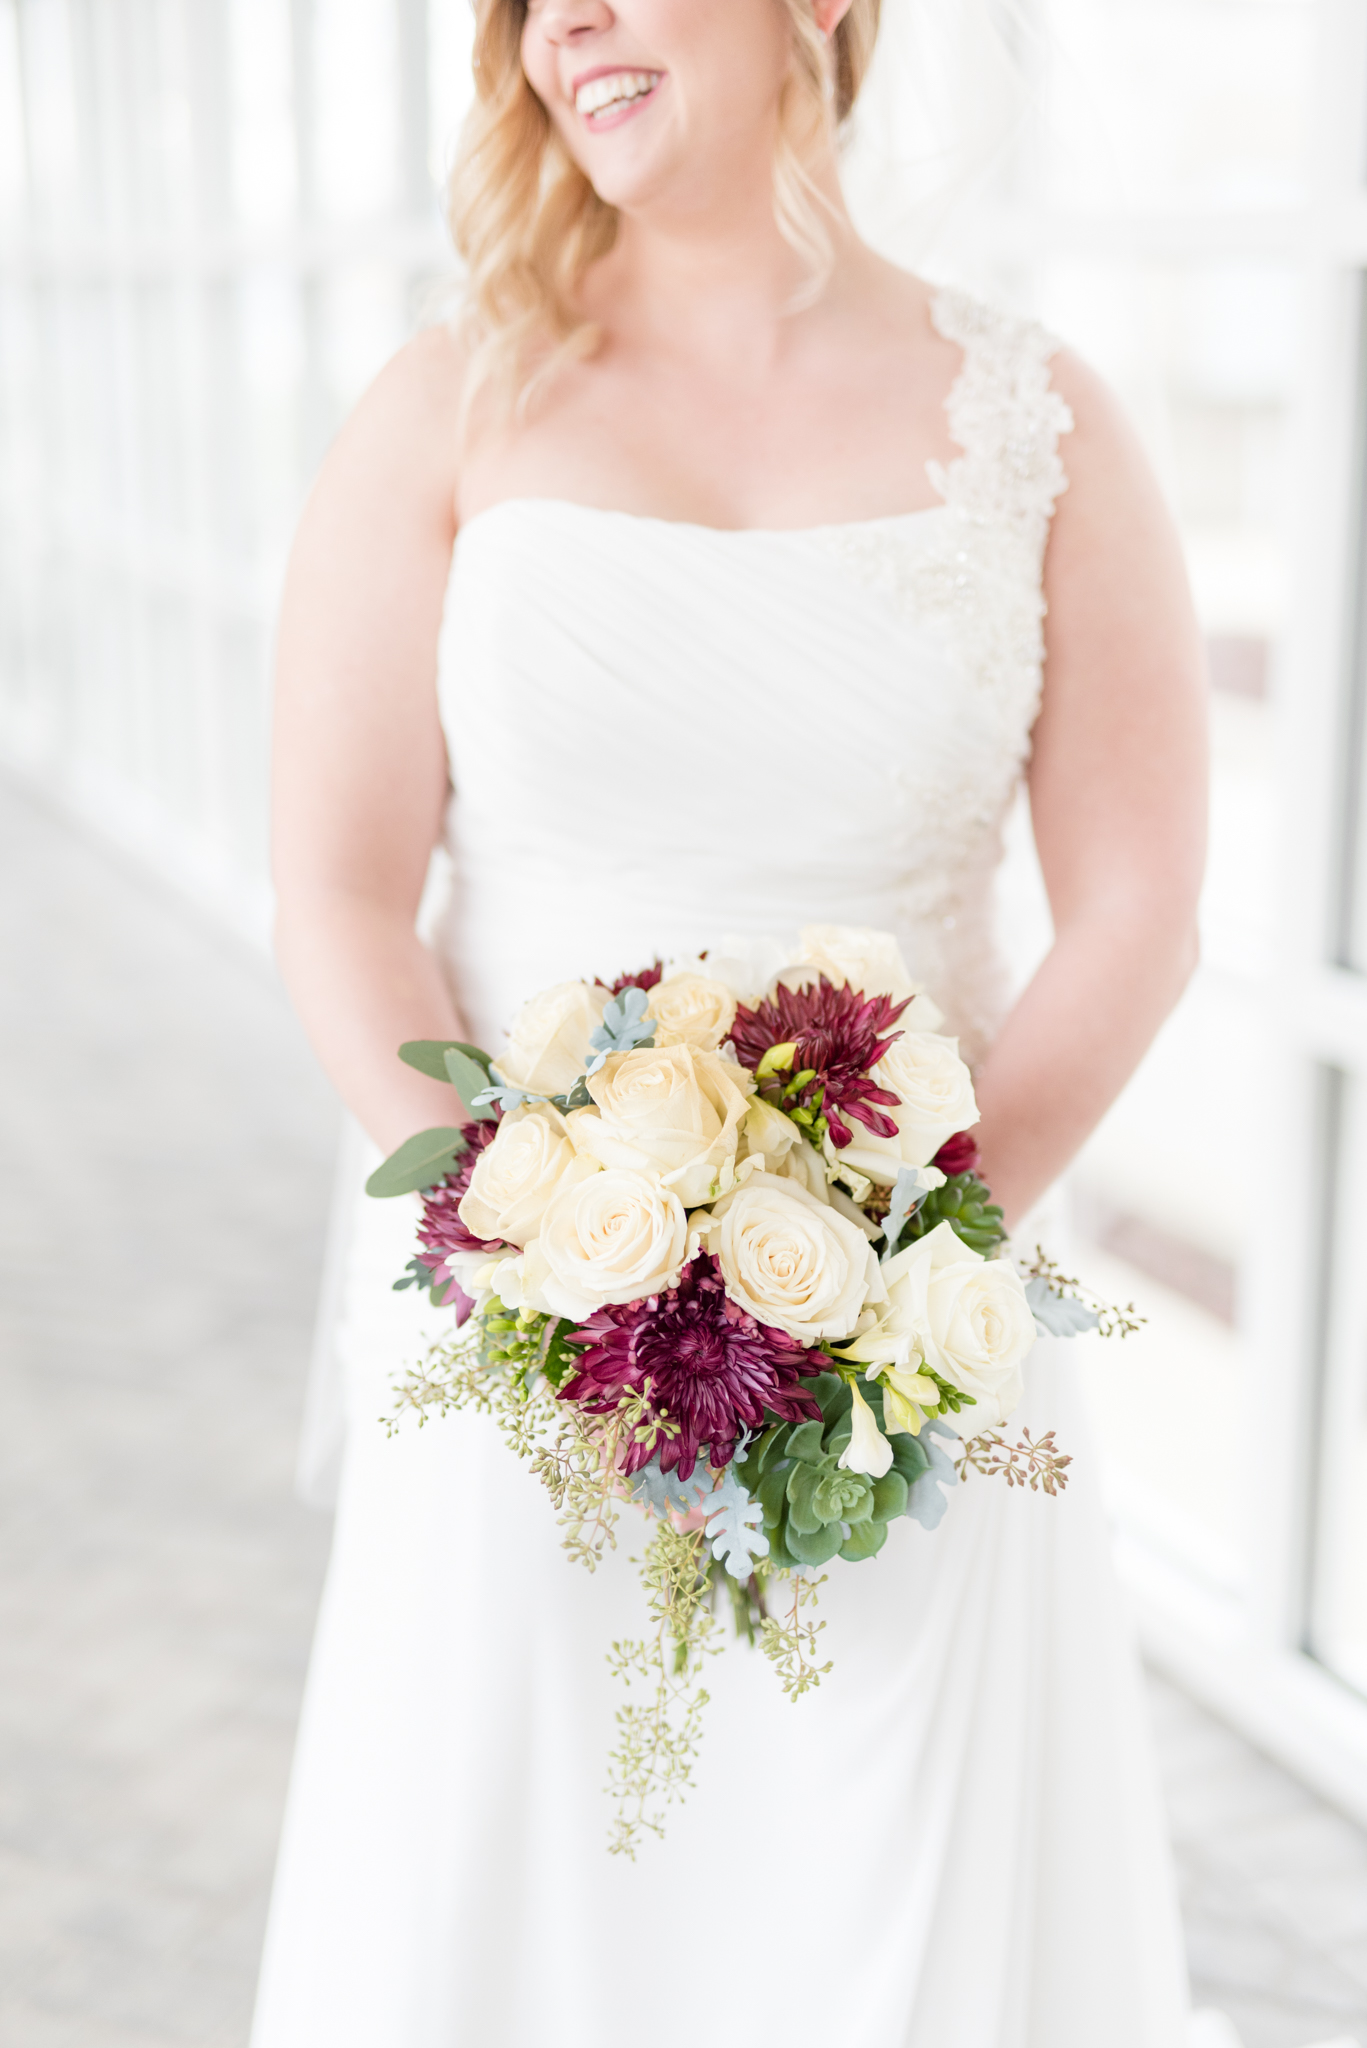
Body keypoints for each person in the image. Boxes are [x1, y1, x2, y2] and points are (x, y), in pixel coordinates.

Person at [254, 1, 1208, 2042]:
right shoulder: (442, 407)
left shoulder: (1041, 420)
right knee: (527, 1896)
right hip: (516, 1333)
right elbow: (342, 887)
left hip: (924, 1358)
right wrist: (518, 1240)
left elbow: (1137, 905)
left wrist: (897, 1262)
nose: (558, 25)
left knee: (882, 1903)